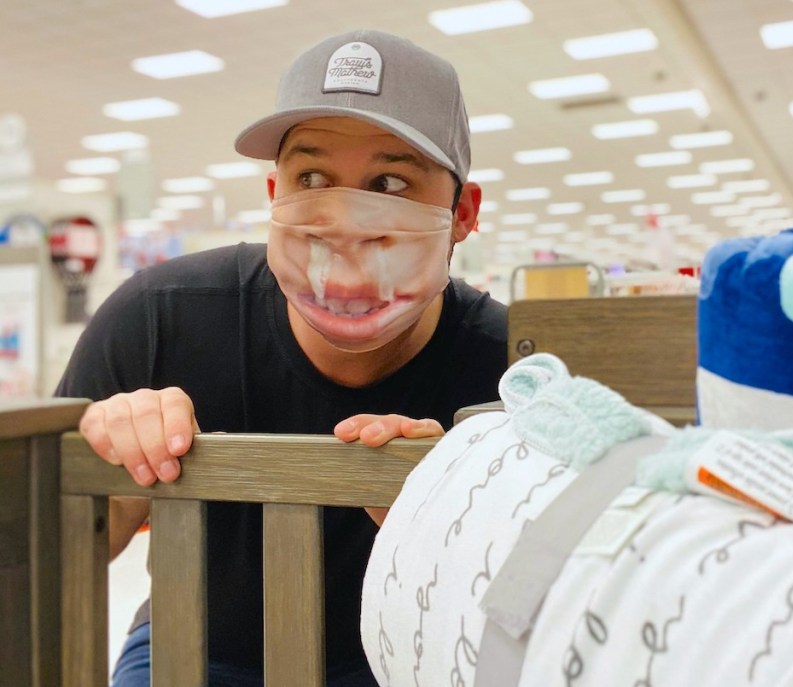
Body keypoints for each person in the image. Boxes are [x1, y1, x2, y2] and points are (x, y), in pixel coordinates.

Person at [56, 29, 508, 686]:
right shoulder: (161, 317)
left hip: (400, 658)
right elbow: (58, 549)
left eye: (390, 181)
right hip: (192, 640)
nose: (347, 220)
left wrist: (449, 521)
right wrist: (112, 466)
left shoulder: (509, 367)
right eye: (312, 176)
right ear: (275, 194)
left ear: (463, 212)